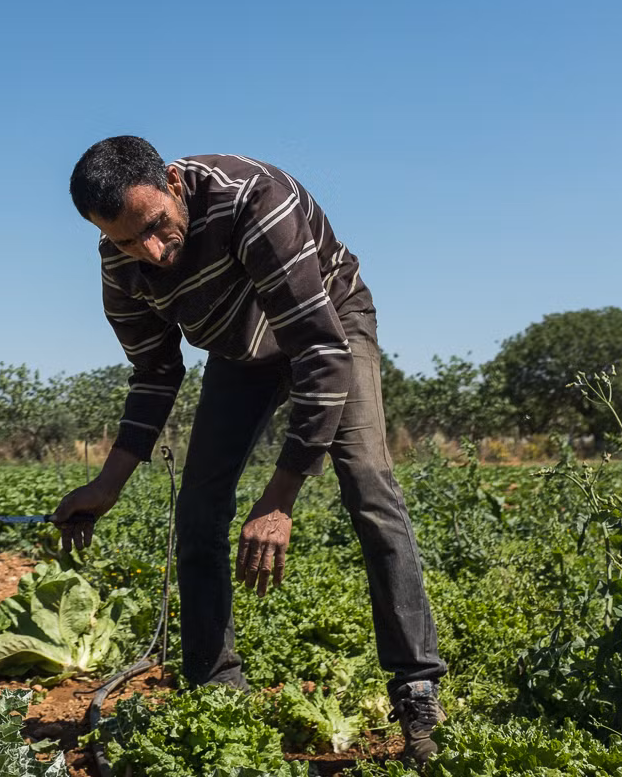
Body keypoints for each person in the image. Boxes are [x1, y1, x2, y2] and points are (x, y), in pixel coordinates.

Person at [51, 135, 448, 764]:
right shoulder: (121, 267)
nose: (151, 251)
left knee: (368, 481)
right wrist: (108, 485)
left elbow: (319, 353)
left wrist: (279, 499)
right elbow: (154, 373)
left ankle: (417, 688)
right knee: (200, 507)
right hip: (241, 351)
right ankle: (216, 691)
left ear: (175, 183)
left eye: (155, 226)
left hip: (330, 323)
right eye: (127, 240)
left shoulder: (253, 199)